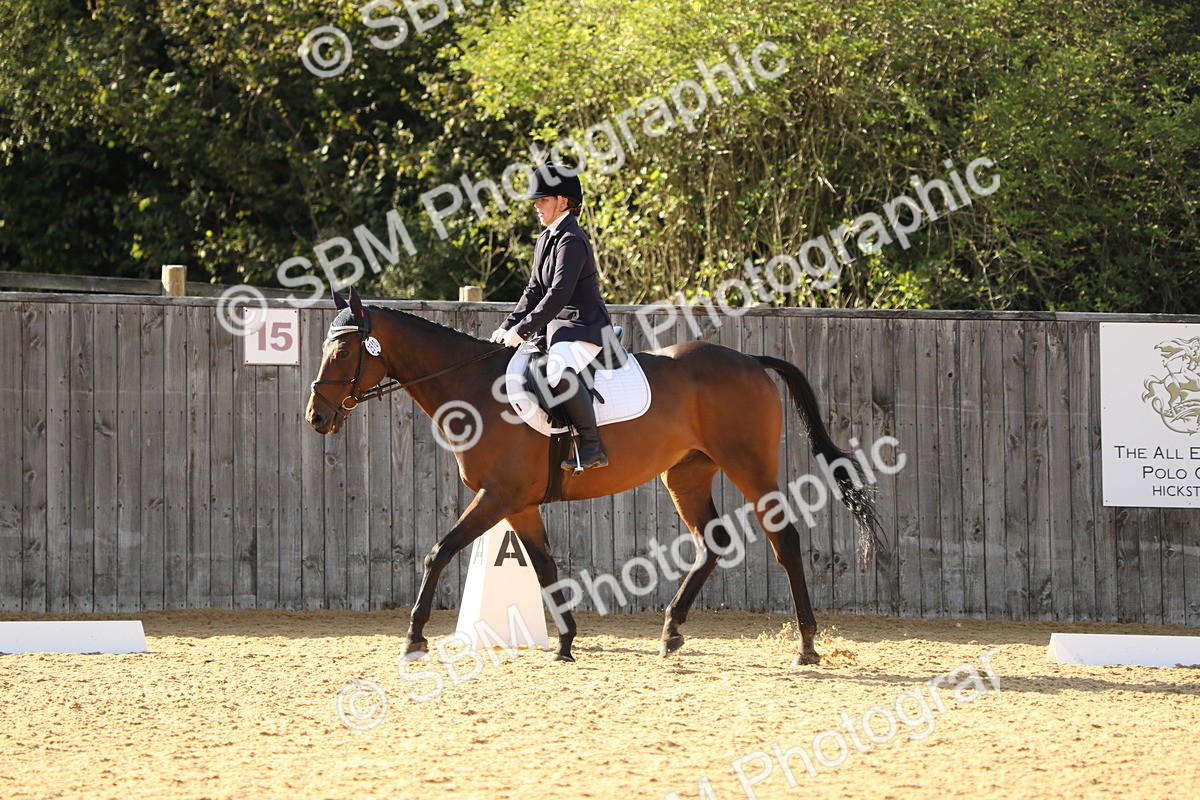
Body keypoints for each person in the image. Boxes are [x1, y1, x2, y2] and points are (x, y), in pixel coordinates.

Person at [490, 163, 612, 470]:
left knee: (555, 371)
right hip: (558, 331)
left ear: (563, 201)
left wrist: (524, 330)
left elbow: (558, 294)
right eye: (537, 200)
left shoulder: (572, 240)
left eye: (543, 199)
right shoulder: (546, 239)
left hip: (583, 328)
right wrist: (507, 327)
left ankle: (592, 445)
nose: (536, 205)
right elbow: (533, 291)